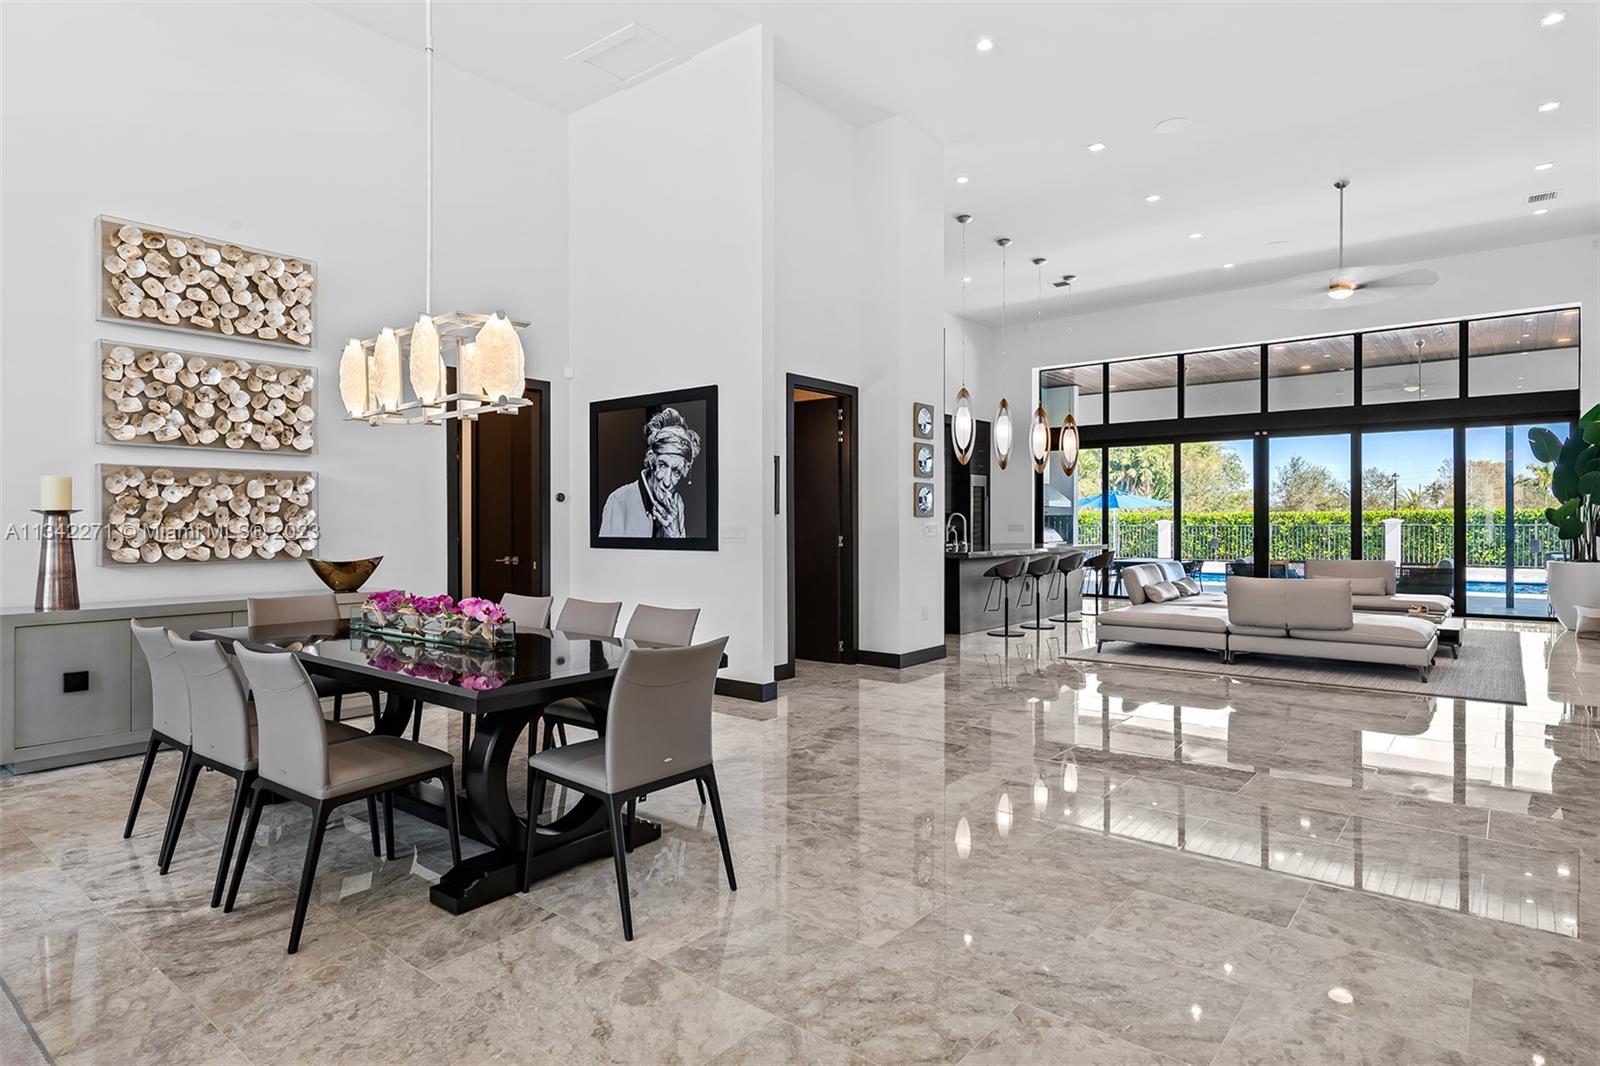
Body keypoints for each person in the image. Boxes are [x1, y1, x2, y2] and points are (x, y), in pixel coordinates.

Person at [599, 407, 701, 538]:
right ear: (652, 460)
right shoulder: (619, 501)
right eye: (663, 465)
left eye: (676, 471)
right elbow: (607, 554)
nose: (667, 481)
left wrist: (674, 533)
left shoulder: (677, 503)